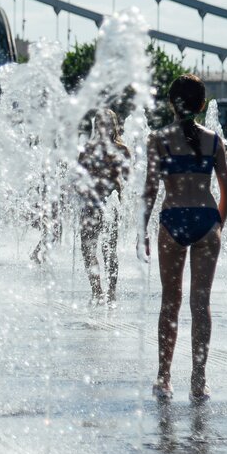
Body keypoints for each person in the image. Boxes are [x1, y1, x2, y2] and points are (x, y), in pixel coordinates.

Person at [141, 74, 227, 402]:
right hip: (206, 220)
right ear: (202, 105)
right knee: (200, 303)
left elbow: (150, 190)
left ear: (171, 104)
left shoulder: (158, 138)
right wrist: (216, 225)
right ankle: (199, 379)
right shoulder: (213, 140)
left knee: (171, 300)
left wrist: (142, 231)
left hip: (173, 220)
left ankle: (164, 378)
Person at [77, 109, 130, 306]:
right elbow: (79, 176)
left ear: (113, 125)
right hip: (90, 203)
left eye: (107, 122)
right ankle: (97, 290)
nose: (103, 126)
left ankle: (112, 291)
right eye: (99, 122)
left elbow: (128, 179)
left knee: (109, 249)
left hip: (110, 204)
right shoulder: (87, 149)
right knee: (87, 248)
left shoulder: (122, 149)